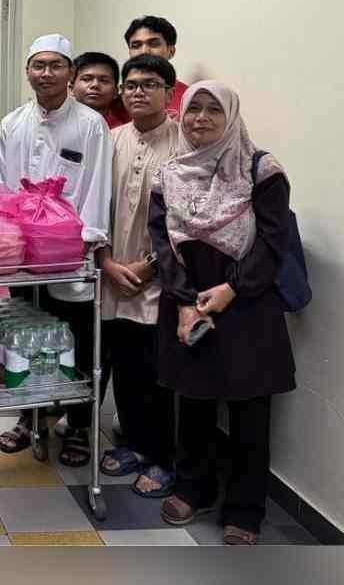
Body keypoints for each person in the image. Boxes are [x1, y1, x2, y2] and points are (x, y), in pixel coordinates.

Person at [149, 81, 295, 546]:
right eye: (194, 109)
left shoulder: (262, 171)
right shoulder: (168, 175)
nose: (202, 119)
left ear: (231, 116)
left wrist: (233, 288)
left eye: (214, 110)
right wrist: (183, 300)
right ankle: (194, 488)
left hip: (248, 304)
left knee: (250, 413)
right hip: (189, 302)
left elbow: (274, 242)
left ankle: (246, 509)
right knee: (193, 402)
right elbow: (162, 243)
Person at [0, 34, 111, 468]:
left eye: (56, 65)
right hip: (22, 255)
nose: (46, 73)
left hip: (70, 255)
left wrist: (86, 242)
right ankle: (30, 417)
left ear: (71, 73)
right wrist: (4, 243)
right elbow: (0, 187)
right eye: (38, 65)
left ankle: (78, 424)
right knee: (25, 336)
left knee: (77, 338)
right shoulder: (12, 124)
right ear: (27, 71)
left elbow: (97, 186)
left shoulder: (91, 124)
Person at [96, 54, 180, 498]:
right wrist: (107, 261)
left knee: (158, 371)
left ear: (169, 92)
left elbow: (190, 221)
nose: (138, 92)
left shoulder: (185, 142)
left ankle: (164, 457)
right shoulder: (109, 141)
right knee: (126, 364)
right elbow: (93, 207)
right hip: (112, 273)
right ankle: (133, 443)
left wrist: (151, 265)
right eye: (130, 85)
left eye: (150, 84)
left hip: (162, 278)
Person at [124, 16, 189, 117]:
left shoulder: (189, 98)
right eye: (136, 45)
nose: (144, 51)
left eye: (154, 44)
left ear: (171, 51)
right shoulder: (117, 102)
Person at [72, 52, 128, 129]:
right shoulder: (58, 122)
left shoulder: (124, 128)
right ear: (71, 88)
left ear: (116, 91)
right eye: (86, 79)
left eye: (104, 80)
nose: (95, 85)